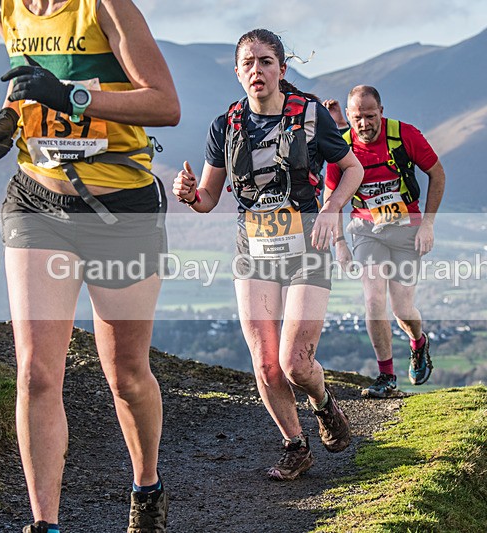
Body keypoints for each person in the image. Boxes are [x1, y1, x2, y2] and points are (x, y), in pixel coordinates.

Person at [0, 1, 179, 531]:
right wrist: (7, 120)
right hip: (36, 201)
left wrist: (72, 98)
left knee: (127, 376)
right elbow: (27, 82)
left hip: (120, 207)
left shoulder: (104, 6)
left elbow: (165, 105)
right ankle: (46, 523)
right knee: (36, 373)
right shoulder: (3, 8)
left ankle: (147, 485)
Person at [172, 29, 364, 481]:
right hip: (253, 251)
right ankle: (295, 445)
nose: (256, 70)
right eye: (247, 63)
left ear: (282, 68)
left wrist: (333, 210)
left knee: (296, 362)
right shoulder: (225, 126)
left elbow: (351, 167)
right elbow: (208, 198)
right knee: (264, 361)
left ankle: (323, 402)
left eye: (264, 61)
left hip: (307, 248)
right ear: (238, 73)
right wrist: (187, 195)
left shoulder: (311, 116)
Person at [323, 85, 445, 398]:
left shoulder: (405, 136)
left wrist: (428, 225)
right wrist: (339, 242)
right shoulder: (342, 147)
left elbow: (437, 174)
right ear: (349, 118)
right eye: (357, 118)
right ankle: (386, 376)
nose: (364, 123)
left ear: (382, 112)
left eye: (370, 116)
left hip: (407, 228)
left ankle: (419, 343)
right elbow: (331, 198)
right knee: (374, 300)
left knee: (403, 308)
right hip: (366, 229)